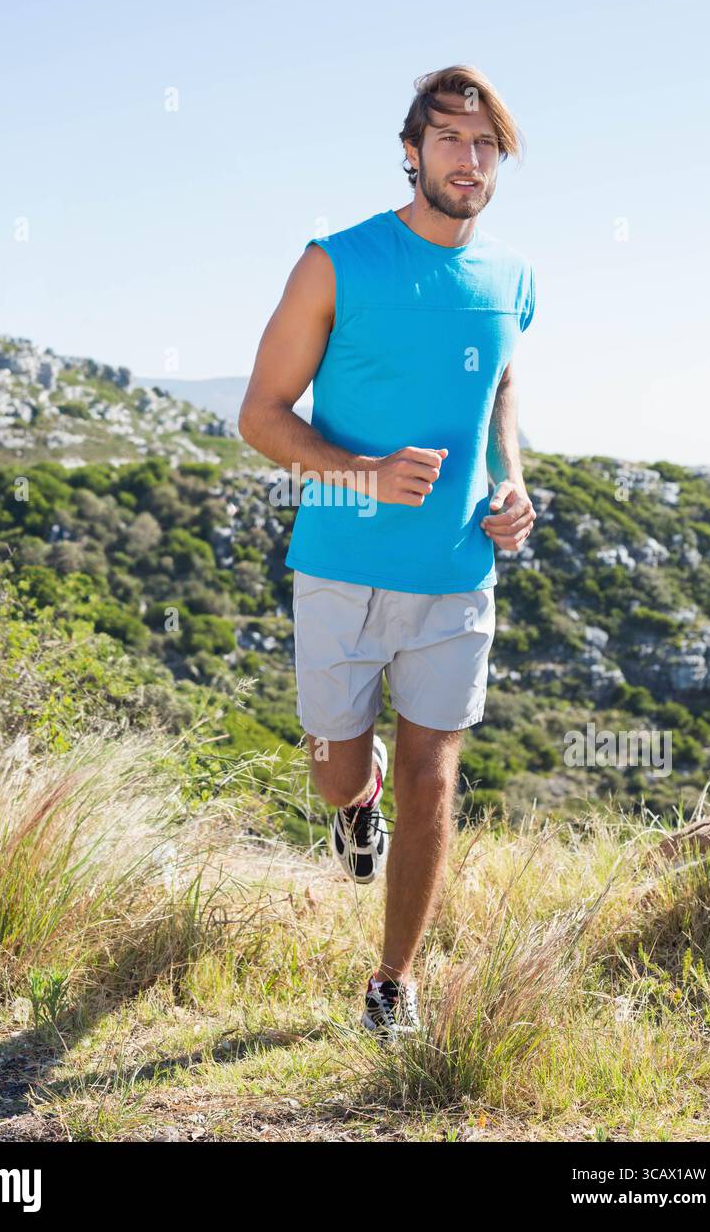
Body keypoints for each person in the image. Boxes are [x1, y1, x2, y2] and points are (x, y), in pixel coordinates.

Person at [238, 65, 537, 1040]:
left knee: (434, 777)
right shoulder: (335, 262)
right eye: (449, 137)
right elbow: (259, 417)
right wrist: (364, 473)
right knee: (335, 769)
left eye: (484, 141)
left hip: (455, 574)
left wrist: (511, 480)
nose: (468, 156)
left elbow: (496, 389)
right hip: (339, 569)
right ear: (410, 151)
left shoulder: (511, 279)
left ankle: (391, 980)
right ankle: (348, 798)